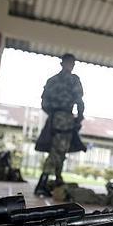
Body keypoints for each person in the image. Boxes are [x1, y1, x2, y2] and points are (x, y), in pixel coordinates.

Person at [34, 53, 85, 196]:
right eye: (71, 63)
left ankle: (57, 180)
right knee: (57, 151)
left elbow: (44, 102)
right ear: (66, 64)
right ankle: (42, 184)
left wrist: (53, 113)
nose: (72, 66)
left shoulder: (52, 80)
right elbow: (79, 100)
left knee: (59, 150)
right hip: (66, 118)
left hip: (54, 117)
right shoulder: (73, 80)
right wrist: (79, 116)